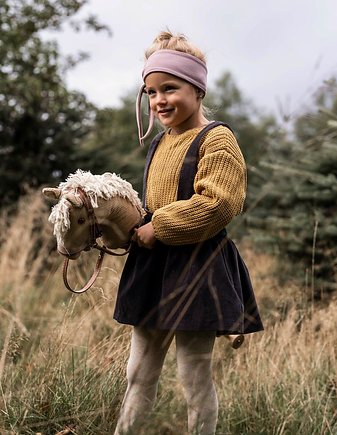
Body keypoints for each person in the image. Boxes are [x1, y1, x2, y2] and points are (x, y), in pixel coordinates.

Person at [113, 30, 263, 435]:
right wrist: (125, 225)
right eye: (151, 91)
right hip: (153, 269)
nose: (159, 100)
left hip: (197, 267)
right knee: (138, 371)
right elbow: (150, 205)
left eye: (170, 88)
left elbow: (217, 204)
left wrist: (158, 227)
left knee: (192, 373)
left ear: (196, 88)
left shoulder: (217, 139)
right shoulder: (160, 144)